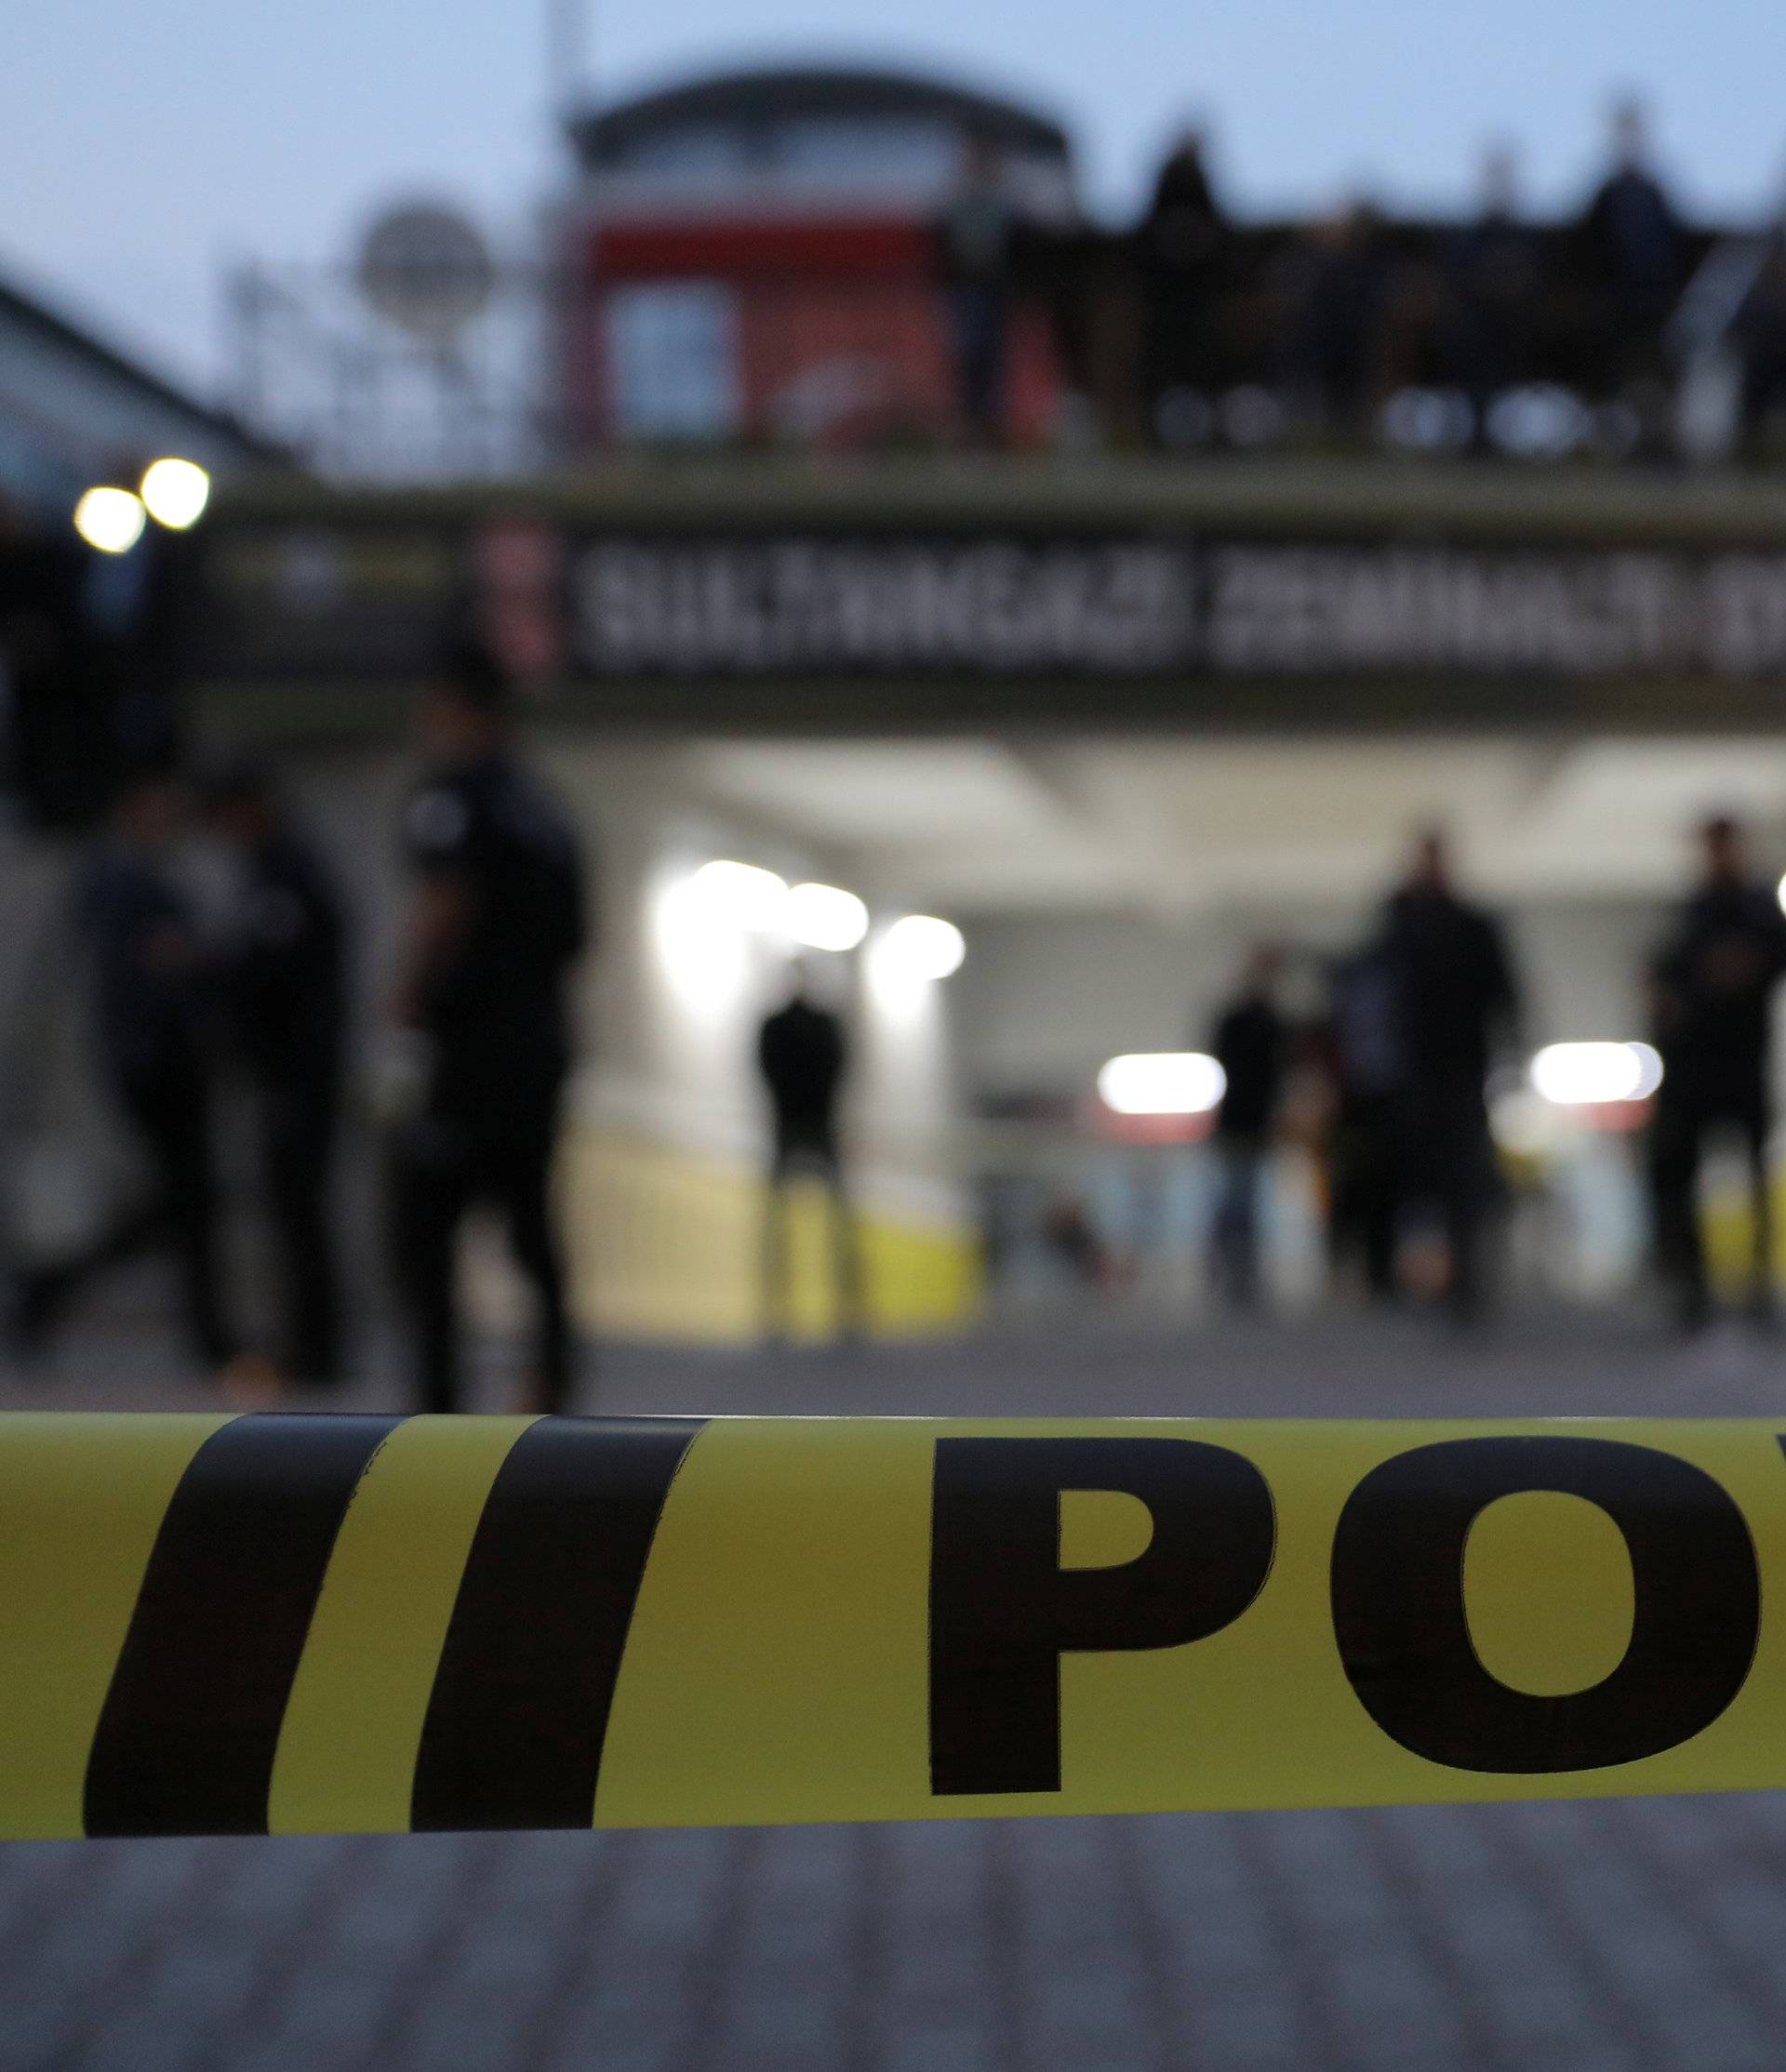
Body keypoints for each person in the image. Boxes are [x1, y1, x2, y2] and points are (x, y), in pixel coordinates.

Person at [389, 647, 588, 1414]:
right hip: (538, 1044)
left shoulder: (454, 799)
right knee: (534, 1223)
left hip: (468, 1049)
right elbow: (577, 936)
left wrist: (404, 997)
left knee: (428, 1227)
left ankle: (437, 1400)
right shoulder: (547, 809)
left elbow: (446, 899)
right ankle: (552, 1384)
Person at [12, 767, 244, 1375]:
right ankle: (204, 1338)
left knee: (177, 1208)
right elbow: (153, 976)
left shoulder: (119, 878)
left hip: (155, 1064)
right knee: (182, 1207)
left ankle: (50, 1297)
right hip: (159, 1067)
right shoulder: (126, 881)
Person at [202, 757, 350, 1385]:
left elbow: (274, 973)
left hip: (298, 1073)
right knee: (293, 1216)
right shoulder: (274, 868)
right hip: (287, 1072)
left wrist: (207, 973)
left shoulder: (287, 872)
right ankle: (308, 1347)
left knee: (300, 1215)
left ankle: (316, 1353)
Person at [1646, 815, 1786, 1331]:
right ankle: (1695, 1287)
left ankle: (1755, 1286)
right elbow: (1663, 975)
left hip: (1741, 1063)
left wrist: (1744, 965)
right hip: (1692, 1068)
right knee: (1685, 1177)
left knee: (1752, 1178)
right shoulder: (1690, 909)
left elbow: (1771, 961)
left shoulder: (1758, 911)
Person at [1379, 829, 1521, 1324]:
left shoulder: (1469, 927)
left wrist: (1512, 1056)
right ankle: (1417, 1277)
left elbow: (1504, 994)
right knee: (1419, 1179)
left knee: (1463, 1178)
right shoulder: (1404, 925)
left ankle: (1464, 1280)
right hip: (1415, 1074)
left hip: (1460, 1072)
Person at [756, 963, 862, 1340]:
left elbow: (834, 1069)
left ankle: (846, 1310)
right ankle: (777, 1312)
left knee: (831, 1227)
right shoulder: (789, 1027)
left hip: (811, 1125)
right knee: (783, 1229)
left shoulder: (803, 1027)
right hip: (797, 1126)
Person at [1578, 98, 1684, 403]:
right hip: (1614, 301)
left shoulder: (1654, 193)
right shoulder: (1607, 195)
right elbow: (1588, 251)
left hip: (1657, 299)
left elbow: (1673, 249)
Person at [1206, 943, 1289, 1308]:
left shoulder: (1272, 1022)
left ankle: (1241, 1268)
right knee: (1236, 1198)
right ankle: (1230, 1267)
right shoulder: (1239, 1021)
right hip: (1238, 1122)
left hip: (1256, 1123)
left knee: (1247, 1199)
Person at [1138, 128, 1229, 445]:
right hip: (1169, 293)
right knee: (1170, 359)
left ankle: (1197, 431)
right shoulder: (1172, 182)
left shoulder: (1195, 183)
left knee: (1194, 359)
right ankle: (1161, 430)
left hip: (1193, 292)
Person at [1447, 145, 1539, 451]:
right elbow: (1460, 277)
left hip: (1513, 326)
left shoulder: (1523, 236)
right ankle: (1476, 437)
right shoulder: (1471, 235)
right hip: (1476, 324)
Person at [937, 136, 1020, 447]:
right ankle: (970, 432)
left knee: (991, 365)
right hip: (966, 290)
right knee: (968, 363)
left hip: (992, 292)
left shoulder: (1000, 205)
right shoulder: (955, 204)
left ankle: (990, 432)